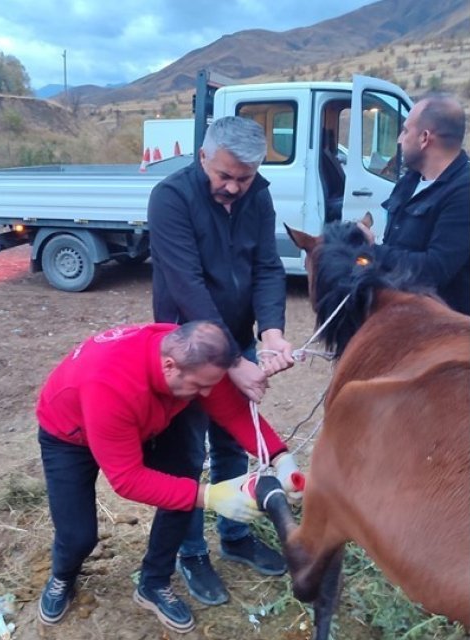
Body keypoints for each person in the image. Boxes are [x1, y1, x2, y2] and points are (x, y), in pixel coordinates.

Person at [35, 321, 302, 634]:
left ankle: (154, 582)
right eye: (199, 387)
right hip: (70, 435)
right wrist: (212, 497)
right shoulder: (110, 384)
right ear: (169, 366)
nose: (205, 394)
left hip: (144, 419)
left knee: (180, 486)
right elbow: (127, 480)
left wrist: (280, 458)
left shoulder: (193, 361)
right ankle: (63, 576)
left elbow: (233, 412)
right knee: (79, 536)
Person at [147, 115, 297, 607]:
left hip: (237, 342)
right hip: (188, 349)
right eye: (225, 176)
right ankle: (191, 554)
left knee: (234, 443)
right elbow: (187, 286)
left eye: (245, 178)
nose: (233, 187)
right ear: (203, 157)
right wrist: (233, 361)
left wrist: (271, 332)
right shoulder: (170, 199)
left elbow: (267, 267)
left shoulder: (258, 196)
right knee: (186, 456)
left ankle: (234, 537)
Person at [360, 94, 470, 315]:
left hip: (442, 333)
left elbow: (435, 268)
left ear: (424, 138)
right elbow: (396, 248)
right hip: (399, 318)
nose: (400, 139)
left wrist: (371, 251)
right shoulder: (408, 182)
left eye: (405, 131)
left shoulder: (465, 192)